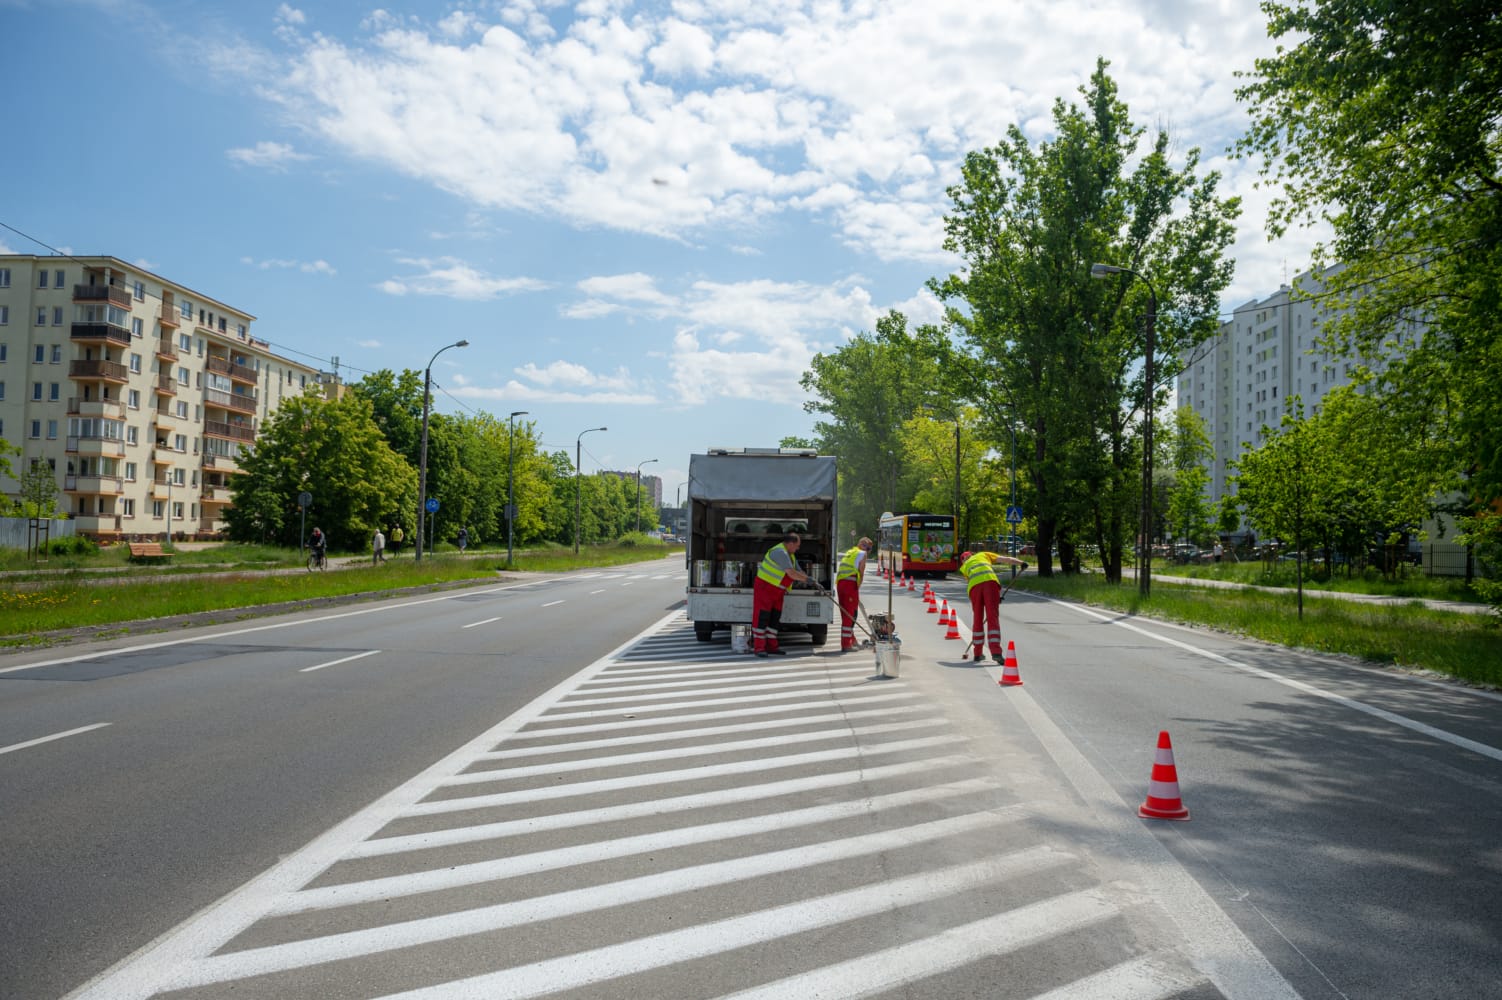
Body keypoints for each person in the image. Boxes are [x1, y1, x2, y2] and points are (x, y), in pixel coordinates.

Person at [959, 548, 1028, 663]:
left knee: (977, 619)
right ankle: (996, 653)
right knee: (992, 617)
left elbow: (974, 581)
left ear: (963, 561)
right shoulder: (983, 554)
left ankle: (977, 653)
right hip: (990, 583)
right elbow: (1006, 559)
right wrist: (1021, 563)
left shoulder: (964, 567)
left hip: (974, 589)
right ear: (972, 555)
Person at [751, 532, 813, 657]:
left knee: (774, 618)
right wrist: (807, 580)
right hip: (766, 588)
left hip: (777, 591)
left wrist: (813, 581)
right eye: (797, 546)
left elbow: (798, 571)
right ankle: (759, 648)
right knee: (761, 617)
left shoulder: (790, 555)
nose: (798, 548)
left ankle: (772, 646)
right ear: (790, 544)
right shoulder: (780, 552)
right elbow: (791, 573)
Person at [835, 536, 873, 651]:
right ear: (865, 547)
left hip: (840, 584)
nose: (868, 551)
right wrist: (857, 588)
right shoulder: (863, 554)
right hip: (850, 585)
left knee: (846, 613)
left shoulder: (850, 552)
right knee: (850, 615)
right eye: (869, 549)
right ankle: (846, 645)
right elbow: (861, 573)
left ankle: (853, 640)